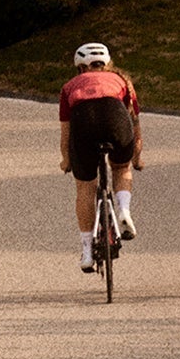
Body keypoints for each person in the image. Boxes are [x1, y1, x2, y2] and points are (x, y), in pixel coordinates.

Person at [58, 42, 143, 272]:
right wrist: (136, 156)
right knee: (120, 168)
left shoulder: (69, 86)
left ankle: (87, 251)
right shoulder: (122, 81)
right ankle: (124, 210)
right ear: (107, 65)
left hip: (83, 122)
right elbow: (134, 119)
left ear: (80, 69)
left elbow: (66, 130)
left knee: (85, 187)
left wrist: (66, 158)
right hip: (115, 117)